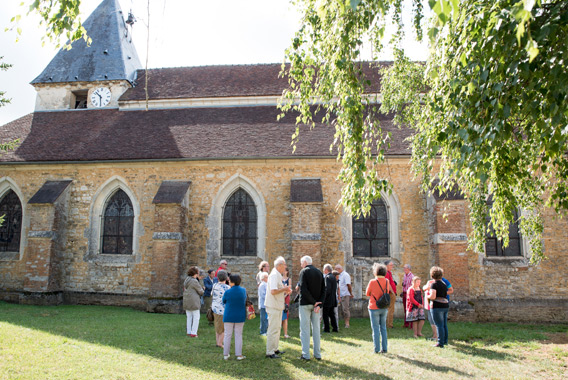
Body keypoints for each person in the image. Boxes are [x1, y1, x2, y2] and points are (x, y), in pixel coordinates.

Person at [298, 255, 325, 361]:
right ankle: (317, 354)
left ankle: (305, 354)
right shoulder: (319, 272)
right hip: (316, 306)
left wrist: (314, 302)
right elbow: (324, 290)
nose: (300, 265)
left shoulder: (304, 272)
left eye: (301, 262)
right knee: (316, 329)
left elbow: (303, 289)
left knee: (304, 329)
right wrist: (319, 304)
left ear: (305, 262)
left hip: (305, 304)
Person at [265, 256, 292, 359]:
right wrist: (284, 289)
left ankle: (275, 348)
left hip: (277, 305)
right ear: (280, 265)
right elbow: (273, 291)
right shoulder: (273, 275)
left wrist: (285, 291)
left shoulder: (277, 275)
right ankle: (269, 351)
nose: (285, 267)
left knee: (277, 328)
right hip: (273, 305)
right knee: (273, 328)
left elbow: (277, 290)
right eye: (284, 265)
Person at [366, 263, 391, 354]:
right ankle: (384, 348)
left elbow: (367, 293)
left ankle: (376, 349)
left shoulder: (372, 282)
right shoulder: (387, 281)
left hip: (374, 307)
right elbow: (387, 292)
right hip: (384, 306)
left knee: (375, 329)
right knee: (383, 328)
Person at [222, 273, 247, 360]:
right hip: (240, 315)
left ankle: (225, 354)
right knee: (238, 335)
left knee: (227, 335)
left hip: (228, 315)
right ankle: (239, 354)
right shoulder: (243, 290)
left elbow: (223, 301)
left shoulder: (228, 292)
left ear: (232, 282)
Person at [427, 266, 449, 348]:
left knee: (439, 324)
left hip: (437, 306)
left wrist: (427, 296)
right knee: (444, 324)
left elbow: (433, 296)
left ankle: (440, 343)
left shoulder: (434, 284)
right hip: (445, 305)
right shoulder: (444, 284)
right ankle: (445, 340)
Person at [183, 266, 204, 337]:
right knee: (196, 317)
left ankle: (189, 332)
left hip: (186, 300)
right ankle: (194, 333)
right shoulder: (194, 281)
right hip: (193, 301)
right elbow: (201, 292)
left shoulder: (187, 279)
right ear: (195, 273)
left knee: (189, 317)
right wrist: (203, 289)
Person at [211, 270, 230, 348]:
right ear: (226, 278)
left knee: (217, 325)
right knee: (223, 328)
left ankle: (217, 341)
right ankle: (219, 343)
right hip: (223, 309)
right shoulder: (228, 287)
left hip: (215, 308)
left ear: (217, 277)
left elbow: (211, 294)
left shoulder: (214, 285)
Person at [334, 264, 353, 328]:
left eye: (336, 269)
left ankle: (347, 323)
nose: (335, 270)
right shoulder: (337, 275)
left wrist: (350, 293)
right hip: (338, 294)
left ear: (339, 269)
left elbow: (349, 285)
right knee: (339, 309)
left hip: (345, 294)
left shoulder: (345, 275)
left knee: (345, 309)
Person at [322, 263, 338, 333]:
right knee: (332, 314)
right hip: (333, 299)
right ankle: (335, 328)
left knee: (325, 315)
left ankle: (327, 329)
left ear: (326, 270)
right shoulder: (333, 277)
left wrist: (324, 298)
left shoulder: (327, 277)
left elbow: (327, 289)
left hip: (328, 300)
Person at [384, 260, 398, 328]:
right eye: (391, 265)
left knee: (390, 309)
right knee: (391, 309)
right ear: (386, 266)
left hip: (391, 292)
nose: (392, 266)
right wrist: (392, 292)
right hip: (390, 293)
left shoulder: (389, 272)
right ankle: (389, 324)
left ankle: (388, 323)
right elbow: (387, 283)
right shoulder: (386, 273)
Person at [401, 264, 415, 329]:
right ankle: (406, 323)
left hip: (409, 294)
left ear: (409, 269)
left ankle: (411, 325)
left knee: (410, 309)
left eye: (405, 268)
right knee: (405, 309)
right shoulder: (404, 275)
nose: (404, 269)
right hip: (404, 293)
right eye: (404, 268)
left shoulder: (412, 276)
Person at [258, 272, 269, 336]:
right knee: (263, 318)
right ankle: (262, 331)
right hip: (263, 304)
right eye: (266, 277)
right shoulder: (262, 285)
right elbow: (263, 295)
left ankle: (265, 330)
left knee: (266, 318)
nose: (267, 278)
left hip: (267, 304)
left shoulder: (266, 284)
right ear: (263, 278)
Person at [281, 267, 291, 339]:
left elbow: (289, 288)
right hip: (281, 295)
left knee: (286, 309)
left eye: (286, 271)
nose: (285, 272)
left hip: (286, 296)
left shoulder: (289, 279)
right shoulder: (280, 278)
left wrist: (286, 294)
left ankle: (285, 322)